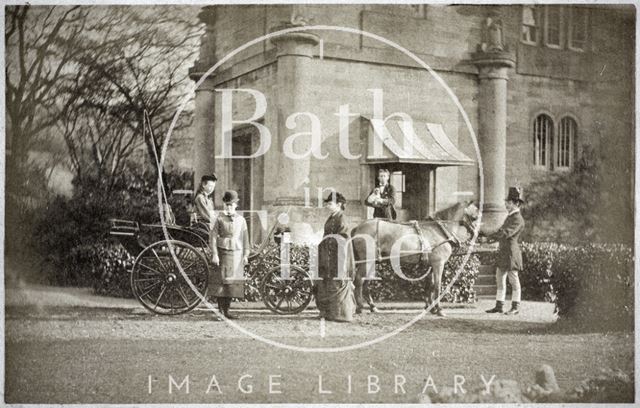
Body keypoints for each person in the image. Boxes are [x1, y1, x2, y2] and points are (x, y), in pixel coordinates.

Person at [483, 187, 525, 315]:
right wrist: (487, 237)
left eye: (509, 202)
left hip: (511, 253)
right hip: (504, 252)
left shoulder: (517, 219)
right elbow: (500, 231)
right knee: (499, 278)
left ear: (515, 204)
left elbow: (505, 233)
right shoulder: (510, 217)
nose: (506, 204)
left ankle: (515, 307)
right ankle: (499, 305)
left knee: (513, 279)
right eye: (506, 202)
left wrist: (488, 238)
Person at [209, 190, 250, 320]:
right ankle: (220, 312)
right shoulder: (219, 219)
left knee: (231, 284)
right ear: (224, 205)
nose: (229, 207)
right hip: (223, 253)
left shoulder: (241, 220)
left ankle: (227, 311)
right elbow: (213, 237)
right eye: (227, 205)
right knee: (221, 283)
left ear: (236, 205)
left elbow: (245, 239)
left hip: (237, 255)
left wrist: (246, 255)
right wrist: (215, 254)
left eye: (231, 205)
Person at [316, 191, 357, 322]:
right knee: (327, 282)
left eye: (330, 203)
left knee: (337, 282)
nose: (328, 205)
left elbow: (344, 240)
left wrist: (342, 261)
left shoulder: (341, 218)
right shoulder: (332, 218)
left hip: (339, 256)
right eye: (327, 203)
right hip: (328, 256)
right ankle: (328, 312)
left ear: (339, 204)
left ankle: (341, 314)